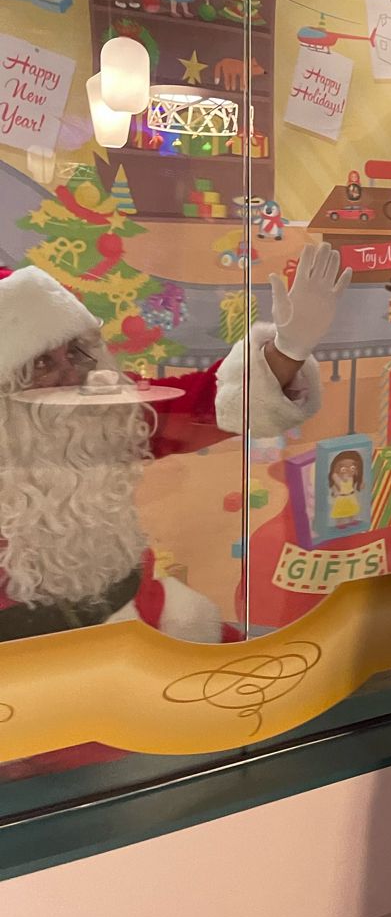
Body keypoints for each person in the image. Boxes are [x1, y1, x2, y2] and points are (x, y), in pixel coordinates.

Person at [0, 242, 349, 643]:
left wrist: (288, 348)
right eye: (41, 363)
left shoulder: (101, 420)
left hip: (142, 620)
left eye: (77, 353)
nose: (71, 375)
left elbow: (208, 404)